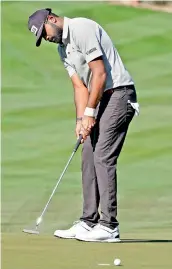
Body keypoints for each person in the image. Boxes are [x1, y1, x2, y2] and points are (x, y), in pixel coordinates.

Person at [28, 8, 139, 242]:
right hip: (98, 98)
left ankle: (109, 225)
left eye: (44, 33)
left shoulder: (81, 28)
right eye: (41, 38)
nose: (46, 39)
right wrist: (81, 121)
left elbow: (98, 74)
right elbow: (80, 87)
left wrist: (90, 112)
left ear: (51, 19)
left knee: (103, 156)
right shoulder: (63, 49)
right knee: (87, 153)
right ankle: (88, 222)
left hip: (119, 93)